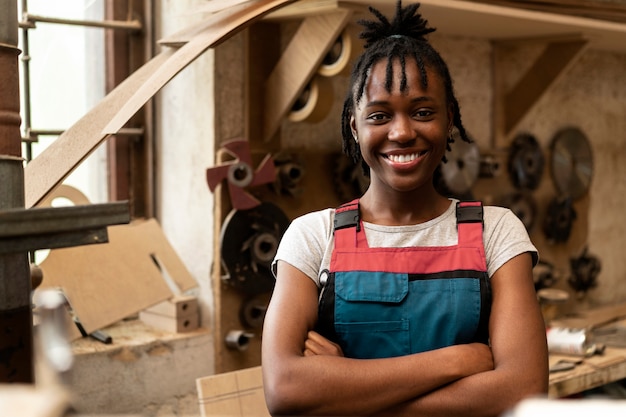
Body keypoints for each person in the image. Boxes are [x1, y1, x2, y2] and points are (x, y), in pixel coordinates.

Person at [261, 1, 549, 416]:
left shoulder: (498, 232)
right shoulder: (311, 237)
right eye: (379, 115)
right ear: (354, 126)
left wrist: (346, 392)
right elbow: (285, 391)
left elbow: (522, 392)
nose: (401, 132)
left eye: (423, 112)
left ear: (450, 119)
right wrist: (456, 361)